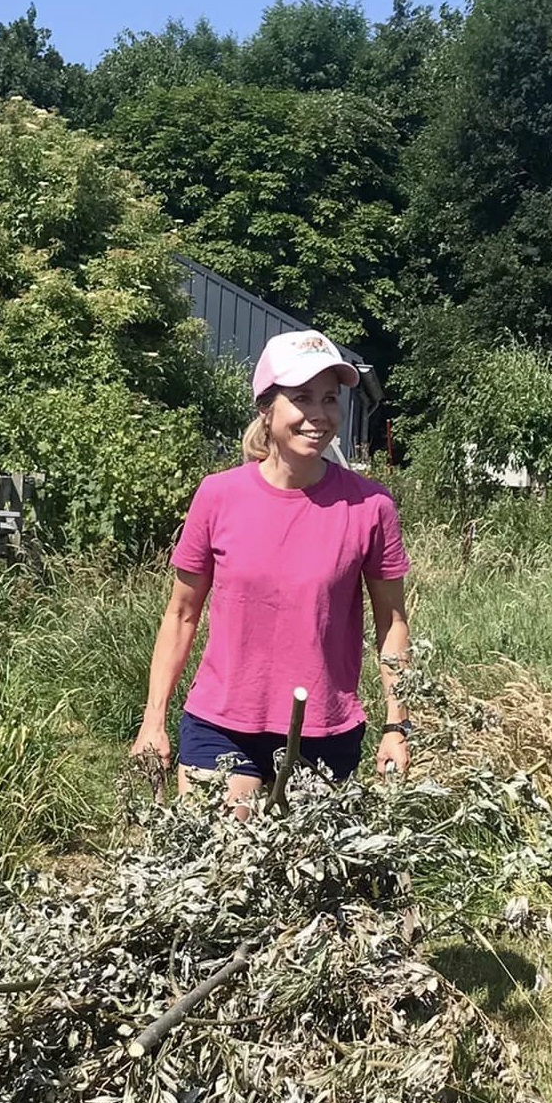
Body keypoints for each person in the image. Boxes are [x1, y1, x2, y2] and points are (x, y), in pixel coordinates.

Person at [132, 330, 413, 807]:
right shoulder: (218, 496)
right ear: (267, 407)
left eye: (330, 398)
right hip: (221, 725)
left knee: (308, 880)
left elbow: (392, 622)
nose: (319, 415)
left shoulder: (370, 505)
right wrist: (153, 719)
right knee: (218, 874)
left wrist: (396, 725)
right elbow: (181, 614)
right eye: (301, 398)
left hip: (324, 729)